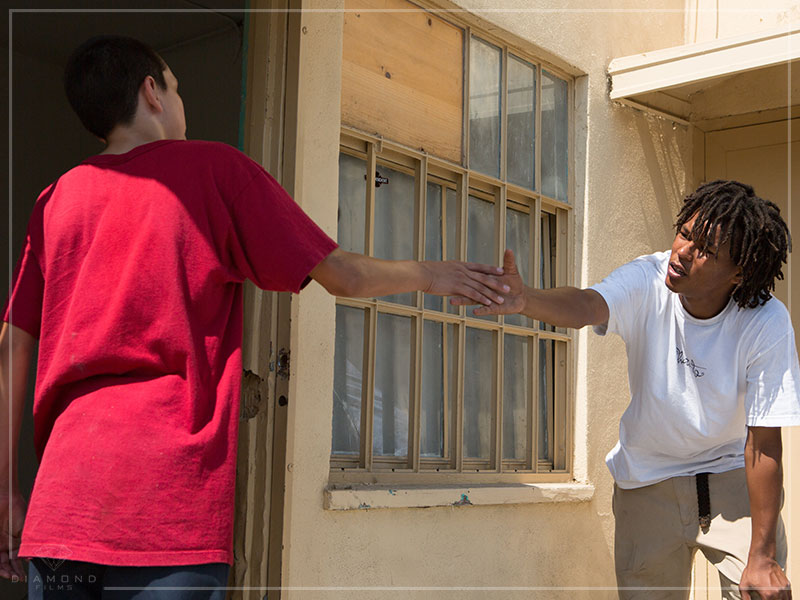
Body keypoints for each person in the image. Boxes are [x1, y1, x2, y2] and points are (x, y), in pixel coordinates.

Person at [0, 35, 509, 599]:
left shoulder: (56, 199)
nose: (181, 105)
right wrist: (433, 275)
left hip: (64, 504)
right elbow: (345, 276)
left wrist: (6, 491)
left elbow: (14, 345)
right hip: (166, 503)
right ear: (152, 92)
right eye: (177, 88)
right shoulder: (215, 169)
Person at [461, 180, 800, 600]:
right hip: (647, 483)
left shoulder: (764, 321)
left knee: (764, 592)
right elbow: (588, 305)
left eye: (706, 251)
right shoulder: (648, 278)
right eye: (686, 234)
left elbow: (763, 445)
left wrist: (762, 555)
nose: (683, 253)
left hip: (730, 480)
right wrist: (525, 300)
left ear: (739, 273)